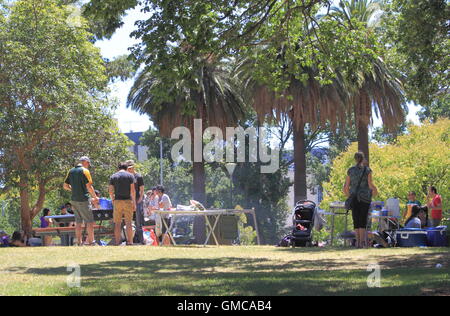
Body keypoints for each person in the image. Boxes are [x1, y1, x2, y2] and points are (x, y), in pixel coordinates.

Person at [344, 152, 378, 249]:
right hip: (365, 198)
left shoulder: (350, 171)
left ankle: (357, 242)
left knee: (356, 219)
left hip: (354, 197)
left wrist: (349, 195)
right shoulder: (367, 170)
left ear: (355, 159)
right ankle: (362, 242)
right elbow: (370, 184)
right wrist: (375, 191)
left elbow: (346, 187)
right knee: (362, 220)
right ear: (363, 159)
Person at [63, 156, 99, 246]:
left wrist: (74, 189)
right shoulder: (85, 171)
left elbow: (65, 186)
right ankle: (92, 242)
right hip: (84, 199)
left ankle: (79, 242)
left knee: (78, 222)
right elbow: (89, 186)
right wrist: (95, 197)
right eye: (88, 163)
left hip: (74, 200)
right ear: (85, 162)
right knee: (89, 221)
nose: (89, 165)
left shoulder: (70, 171)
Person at [109, 162, 136, 246]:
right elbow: (132, 191)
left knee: (117, 223)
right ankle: (130, 242)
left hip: (117, 201)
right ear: (126, 168)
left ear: (118, 168)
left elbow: (110, 191)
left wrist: (113, 199)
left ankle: (117, 242)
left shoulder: (113, 176)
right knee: (128, 223)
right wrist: (134, 202)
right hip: (128, 200)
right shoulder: (130, 176)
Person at [126, 160, 145, 245]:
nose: (129, 169)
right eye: (128, 168)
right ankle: (130, 240)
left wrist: (140, 198)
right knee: (128, 221)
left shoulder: (138, 176)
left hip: (137, 200)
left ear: (133, 167)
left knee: (138, 221)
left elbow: (142, 189)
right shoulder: (127, 177)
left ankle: (141, 241)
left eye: (130, 168)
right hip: (128, 200)